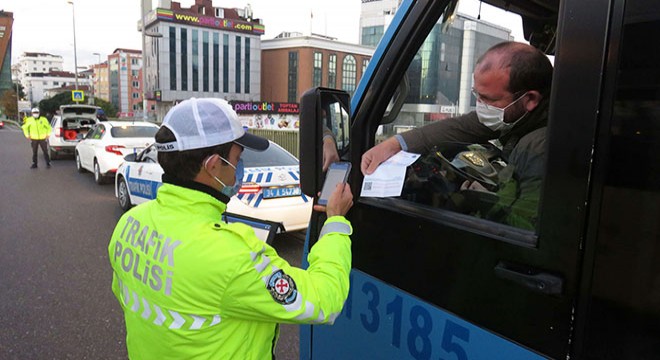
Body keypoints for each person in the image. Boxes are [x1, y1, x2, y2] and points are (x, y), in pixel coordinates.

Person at [108, 98, 354, 359]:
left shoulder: (130, 223)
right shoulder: (231, 256)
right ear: (213, 165)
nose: (241, 166)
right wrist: (336, 221)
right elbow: (323, 301)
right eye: (238, 157)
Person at [361, 41, 553, 230]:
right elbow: (462, 127)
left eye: (489, 99)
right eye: (477, 95)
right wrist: (393, 144)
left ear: (530, 99)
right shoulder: (518, 116)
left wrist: (486, 202)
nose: (480, 105)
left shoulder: (539, 147)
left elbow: (528, 230)